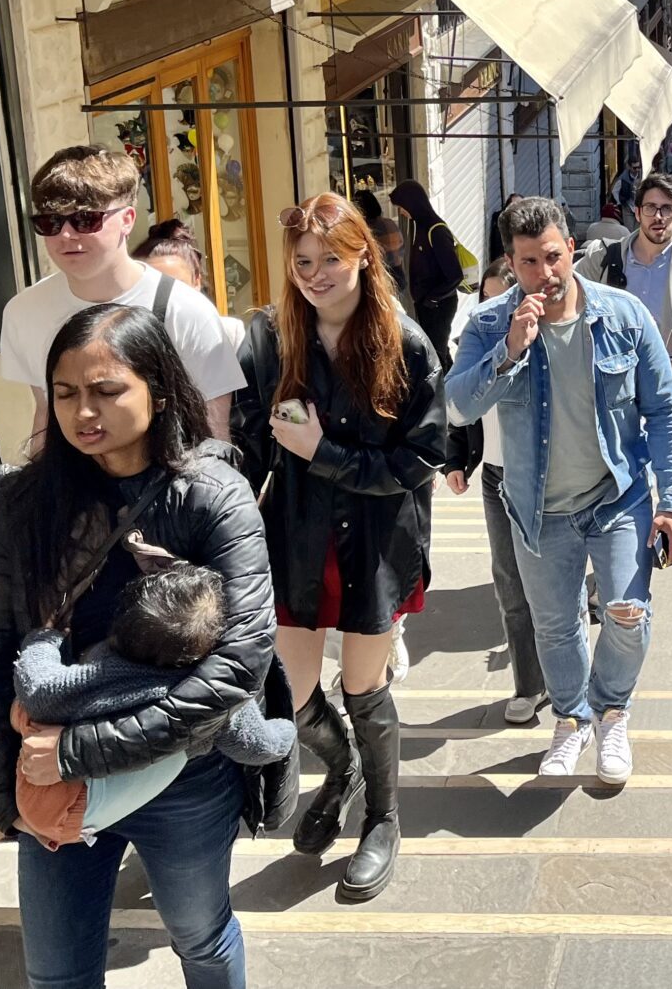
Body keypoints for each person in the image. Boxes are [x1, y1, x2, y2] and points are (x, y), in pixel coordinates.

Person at [0, 304, 276, 988]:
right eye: (66, 393)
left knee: (202, 938)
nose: (83, 411)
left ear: (157, 390)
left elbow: (238, 666)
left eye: (107, 390)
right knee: (57, 972)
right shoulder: (22, 501)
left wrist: (79, 750)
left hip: (182, 775)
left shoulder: (214, 495)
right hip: (50, 783)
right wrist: (5, 798)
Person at [233, 193, 446, 901]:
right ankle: (346, 767)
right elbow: (247, 445)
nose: (315, 274)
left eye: (330, 258)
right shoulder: (269, 340)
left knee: (363, 687)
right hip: (294, 539)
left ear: (364, 254)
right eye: (302, 262)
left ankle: (384, 817)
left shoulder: (404, 342)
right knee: (292, 695)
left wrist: (324, 453)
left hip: (376, 546)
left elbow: (419, 460)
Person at [446, 197, 672, 785]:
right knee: (554, 626)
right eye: (529, 262)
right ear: (511, 262)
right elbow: (457, 406)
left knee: (628, 615)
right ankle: (571, 717)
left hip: (618, 498)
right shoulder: (488, 325)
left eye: (552, 257)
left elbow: (664, 410)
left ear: (571, 250)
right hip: (536, 509)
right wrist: (509, 350)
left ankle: (610, 710)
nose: (544, 273)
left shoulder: (624, 315)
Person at [9, 565, 295, 850]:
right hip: (73, 809)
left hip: (45, 795)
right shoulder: (211, 692)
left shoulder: (103, 670)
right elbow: (257, 747)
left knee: (23, 709)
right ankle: (30, 826)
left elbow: (38, 691)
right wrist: (287, 731)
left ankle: (19, 825)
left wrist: (44, 638)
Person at [2, 147, 246, 447]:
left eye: (86, 219)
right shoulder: (24, 311)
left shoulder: (186, 311)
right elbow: (46, 414)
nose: (66, 235)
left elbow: (214, 434)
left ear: (128, 219)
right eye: (50, 222)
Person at [443, 262, 548, 726]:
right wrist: (455, 461)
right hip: (496, 476)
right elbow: (460, 402)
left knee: (553, 588)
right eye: (483, 297)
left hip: (551, 476)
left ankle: (568, 681)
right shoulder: (484, 329)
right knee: (510, 584)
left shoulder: (551, 327)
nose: (488, 306)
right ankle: (528, 685)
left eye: (497, 296)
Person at [575, 172, 672, 421]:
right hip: (613, 395)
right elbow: (566, 298)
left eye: (667, 209)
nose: (658, 217)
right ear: (637, 213)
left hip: (670, 395)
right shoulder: (604, 257)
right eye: (650, 208)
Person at [131, 219, 247, 351]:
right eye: (152, 288)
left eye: (177, 288)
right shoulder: (125, 341)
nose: (164, 299)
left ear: (196, 281)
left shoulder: (227, 335)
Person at [391, 178, 465, 372]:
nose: (401, 212)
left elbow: (455, 275)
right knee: (438, 350)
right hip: (427, 305)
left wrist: (432, 299)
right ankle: (451, 389)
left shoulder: (436, 231)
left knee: (436, 352)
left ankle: (445, 393)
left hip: (439, 305)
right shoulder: (419, 227)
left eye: (402, 206)